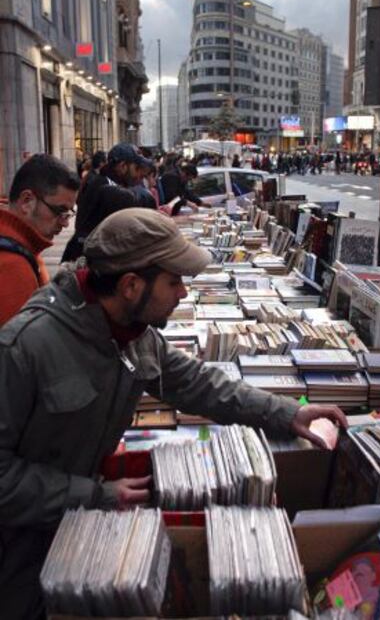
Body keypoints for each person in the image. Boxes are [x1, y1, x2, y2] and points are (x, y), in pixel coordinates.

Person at [0, 207, 347, 618]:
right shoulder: (24, 348)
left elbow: (197, 383)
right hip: (19, 558)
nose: (183, 292)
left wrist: (287, 413)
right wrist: (92, 496)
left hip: (78, 535)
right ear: (131, 285)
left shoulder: (132, 334)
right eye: (173, 281)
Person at [0, 153, 79, 326]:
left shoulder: (23, 248)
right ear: (27, 201)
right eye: (59, 211)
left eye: (69, 213)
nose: (65, 223)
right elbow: (21, 349)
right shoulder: (12, 267)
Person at [61, 142, 144, 262]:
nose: (139, 174)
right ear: (122, 167)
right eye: (136, 168)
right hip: (88, 258)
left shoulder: (106, 182)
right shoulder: (108, 188)